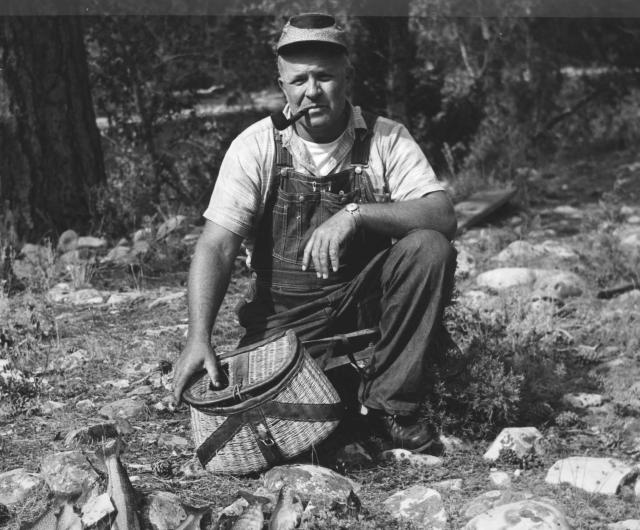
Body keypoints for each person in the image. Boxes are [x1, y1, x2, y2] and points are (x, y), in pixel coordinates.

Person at [173, 13, 457, 452]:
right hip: (285, 321)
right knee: (274, 433)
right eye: (299, 79)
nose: (312, 91)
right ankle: (345, 397)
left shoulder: (386, 138)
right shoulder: (257, 146)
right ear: (282, 85)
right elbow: (216, 244)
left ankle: (391, 409)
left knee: (429, 247)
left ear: (348, 77)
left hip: (366, 306)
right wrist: (198, 338)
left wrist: (356, 214)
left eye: (324, 77)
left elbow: (442, 214)